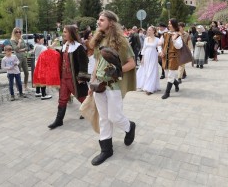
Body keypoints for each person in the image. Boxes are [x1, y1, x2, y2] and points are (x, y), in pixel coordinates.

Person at [89, 10, 137, 166]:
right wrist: (92, 81)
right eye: (98, 19)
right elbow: (97, 63)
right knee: (104, 118)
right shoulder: (99, 39)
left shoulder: (121, 41)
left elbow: (132, 63)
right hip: (100, 85)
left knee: (114, 116)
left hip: (114, 85)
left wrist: (118, 71)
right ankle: (106, 150)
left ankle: (130, 127)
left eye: (101, 19)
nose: (98, 22)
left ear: (110, 22)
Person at [48, 25, 89, 130]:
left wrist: (82, 77)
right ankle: (59, 120)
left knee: (81, 97)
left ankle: (90, 112)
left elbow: (84, 63)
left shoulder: (79, 47)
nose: (63, 34)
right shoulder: (65, 45)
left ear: (71, 33)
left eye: (65, 32)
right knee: (62, 98)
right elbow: (62, 58)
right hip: (64, 78)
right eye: (63, 32)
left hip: (74, 79)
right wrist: (54, 52)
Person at [159, 18, 183, 99]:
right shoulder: (165, 34)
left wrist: (174, 40)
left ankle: (167, 92)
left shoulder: (178, 35)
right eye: (168, 23)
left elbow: (179, 46)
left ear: (174, 25)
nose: (168, 25)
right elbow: (159, 44)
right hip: (165, 57)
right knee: (167, 74)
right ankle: (176, 83)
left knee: (170, 75)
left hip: (173, 57)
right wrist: (160, 51)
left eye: (170, 24)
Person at [136, 26, 160, 95]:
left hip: (153, 56)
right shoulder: (146, 39)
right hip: (146, 56)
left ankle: (150, 88)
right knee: (145, 70)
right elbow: (144, 48)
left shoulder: (157, 39)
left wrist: (160, 53)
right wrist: (142, 58)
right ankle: (144, 85)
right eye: (148, 30)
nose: (148, 31)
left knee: (151, 71)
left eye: (149, 30)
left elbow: (159, 48)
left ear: (153, 31)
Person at [32, 35, 52, 100]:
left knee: (38, 78)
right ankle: (43, 95)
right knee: (43, 78)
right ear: (38, 40)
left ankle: (38, 92)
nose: (43, 42)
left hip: (37, 62)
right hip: (41, 63)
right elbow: (48, 50)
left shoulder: (35, 45)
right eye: (42, 40)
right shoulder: (41, 47)